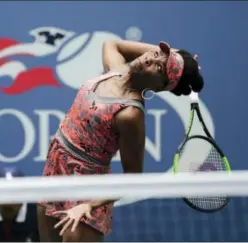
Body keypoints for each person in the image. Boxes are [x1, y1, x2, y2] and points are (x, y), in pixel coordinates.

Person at [37, 40, 203, 242]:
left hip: (88, 190)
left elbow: (132, 178)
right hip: (55, 170)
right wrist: (178, 54)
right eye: (158, 53)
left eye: (159, 67)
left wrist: (89, 205)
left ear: (160, 87)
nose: (150, 58)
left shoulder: (130, 113)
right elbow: (111, 43)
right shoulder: (115, 70)